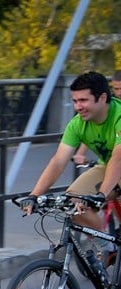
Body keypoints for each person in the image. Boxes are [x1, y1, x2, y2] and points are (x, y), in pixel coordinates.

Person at [22, 71, 121, 264]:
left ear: (102, 98)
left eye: (83, 100)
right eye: (75, 101)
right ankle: (107, 246)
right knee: (72, 201)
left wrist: (101, 195)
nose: (78, 107)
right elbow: (58, 161)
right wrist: (34, 196)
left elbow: (118, 158)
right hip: (107, 167)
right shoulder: (77, 124)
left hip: (117, 165)